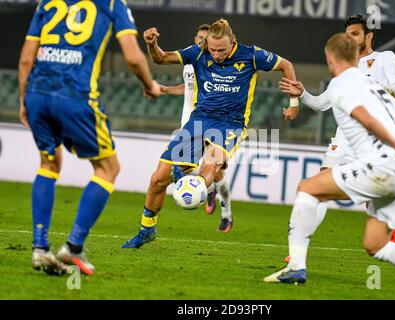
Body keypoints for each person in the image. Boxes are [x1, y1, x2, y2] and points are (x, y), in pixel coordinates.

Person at [265, 33, 395, 296]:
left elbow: (366, 120)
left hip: (382, 166)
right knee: (377, 245)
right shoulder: (373, 86)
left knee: (308, 189)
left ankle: (295, 266)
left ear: (330, 59)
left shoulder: (341, 84)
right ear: (356, 57)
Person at [121, 18, 299, 248]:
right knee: (157, 179)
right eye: (212, 50)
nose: (216, 55)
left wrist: (294, 103)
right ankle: (147, 229)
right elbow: (161, 58)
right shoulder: (198, 52)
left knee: (211, 166)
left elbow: (286, 65)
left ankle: (193, 185)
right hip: (199, 121)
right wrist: (152, 45)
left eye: (222, 50)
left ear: (233, 42)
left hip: (230, 125)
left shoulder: (252, 55)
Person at [19, 0, 161, 275]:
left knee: (48, 165)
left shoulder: (47, 3)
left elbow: (26, 58)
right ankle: (73, 248)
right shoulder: (111, 3)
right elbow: (132, 57)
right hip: (75, 97)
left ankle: (40, 248)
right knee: (109, 168)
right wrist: (150, 85)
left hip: (38, 94)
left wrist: (25, 100)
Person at [280, 14, 395, 264]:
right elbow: (321, 103)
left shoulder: (384, 59)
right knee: (319, 188)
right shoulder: (343, 69)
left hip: (375, 137)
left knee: (376, 195)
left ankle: (388, 224)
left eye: (356, 34)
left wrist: (374, 91)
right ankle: (300, 247)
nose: (350, 38)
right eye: (348, 34)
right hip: (345, 137)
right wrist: (302, 93)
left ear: (369, 36)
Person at [160, 24, 234, 233]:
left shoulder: (215, 64)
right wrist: (166, 89)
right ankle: (208, 189)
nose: (203, 42)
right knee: (189, 169)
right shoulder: (189, 62)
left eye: (206, 39)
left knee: (214, 170)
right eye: (200, 38)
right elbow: (188, 88)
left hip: (212, 122)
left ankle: (226, 210)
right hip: (189, 121)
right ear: (196, 38)